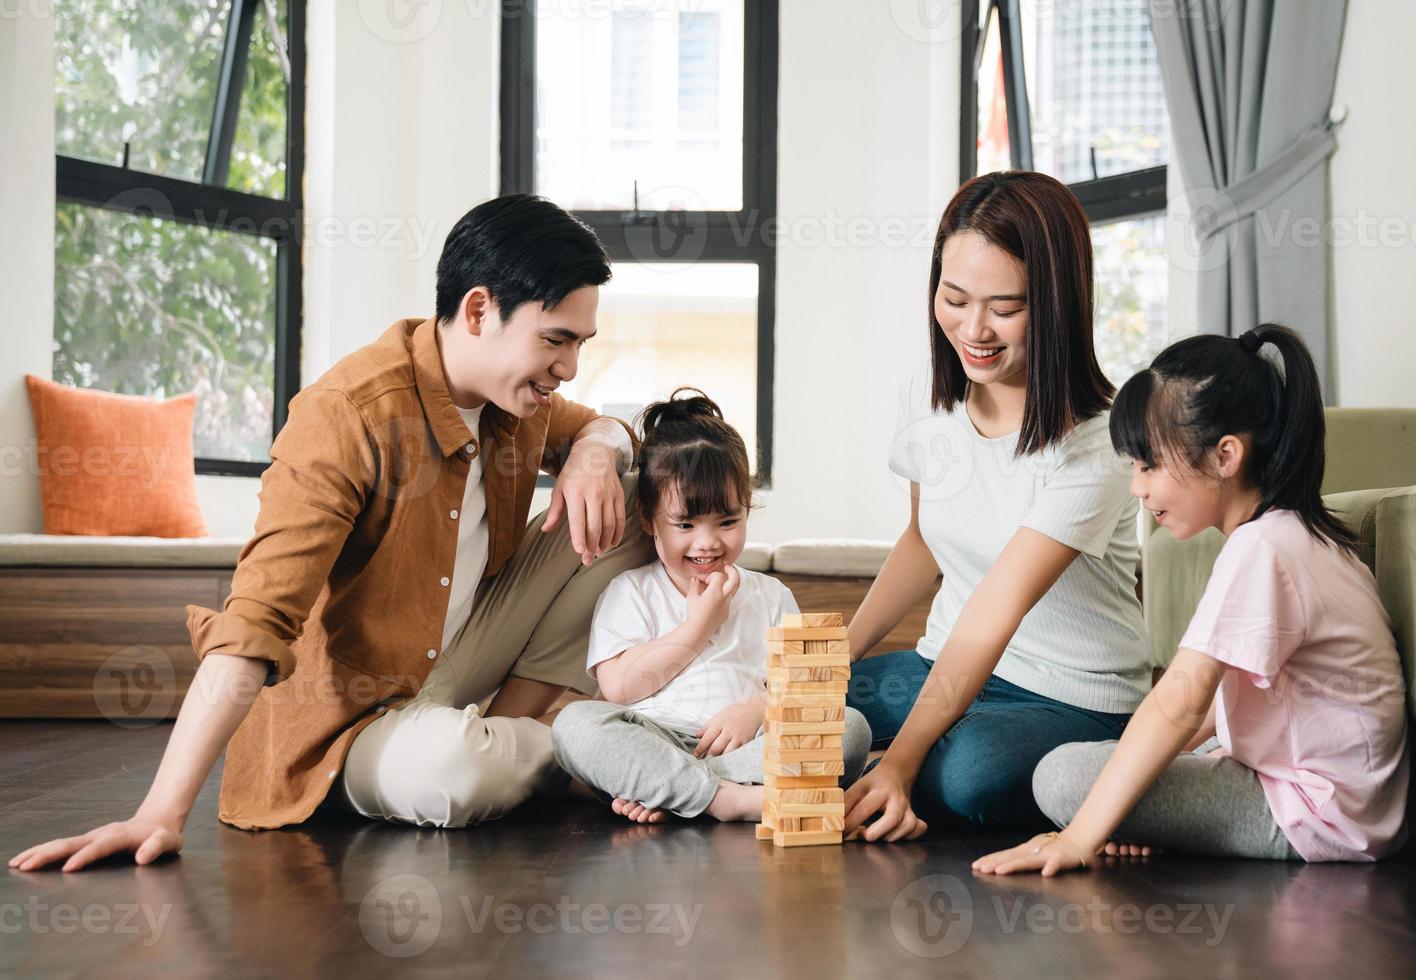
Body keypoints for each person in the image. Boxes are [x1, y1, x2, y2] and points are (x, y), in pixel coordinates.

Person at [11, 195, 656, 872]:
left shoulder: (520, 396)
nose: (570, 367)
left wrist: (596, 446)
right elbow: (255, 623)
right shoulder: (346, 416)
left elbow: (605, 428)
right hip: (355, 722)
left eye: (581, 344)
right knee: (452, 771)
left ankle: (535, 736)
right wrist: (159, 813)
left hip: (465, 665)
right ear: (477, 310)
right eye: (555, 340)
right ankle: (588, 745)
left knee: (644, 491)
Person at [975, 324, 1408, 876]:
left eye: (1149, 463)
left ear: (1225, 455)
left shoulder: (1263, 550)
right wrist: (1133, 803)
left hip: (1314, 814)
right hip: (1344, 802)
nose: (1138, 486)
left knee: (1060, 774)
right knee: (1128, 767)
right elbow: (1208, 710)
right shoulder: (1298, 536)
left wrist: (1080, 838)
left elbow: (1180, 702)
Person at [842, 171, 1151, 842]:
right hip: (940, 665)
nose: (973, 328)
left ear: (1057, 304)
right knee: (804, 714)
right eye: (953, 298)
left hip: (1068, 696)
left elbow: (996, 609)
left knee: (968, 777)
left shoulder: (1100, 441)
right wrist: (830, 662)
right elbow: (921, 542)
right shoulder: (928, 391)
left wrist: (898, 762)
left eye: (1004, 307)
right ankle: (874, 768)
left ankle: (883, 774)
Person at [552, 389, 872, 824]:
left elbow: (806, 687)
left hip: (748, 746)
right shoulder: (630, 591)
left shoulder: (771, 595)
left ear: (746, 511)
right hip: (656, 738)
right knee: (575, 726)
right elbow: (620, 689)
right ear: (649, 520)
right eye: (685, 524)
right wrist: (697, 627)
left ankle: (673, 790)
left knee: (849, 727)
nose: (708, 543)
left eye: (727, 522)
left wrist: (757, 710)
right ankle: (727, 800)